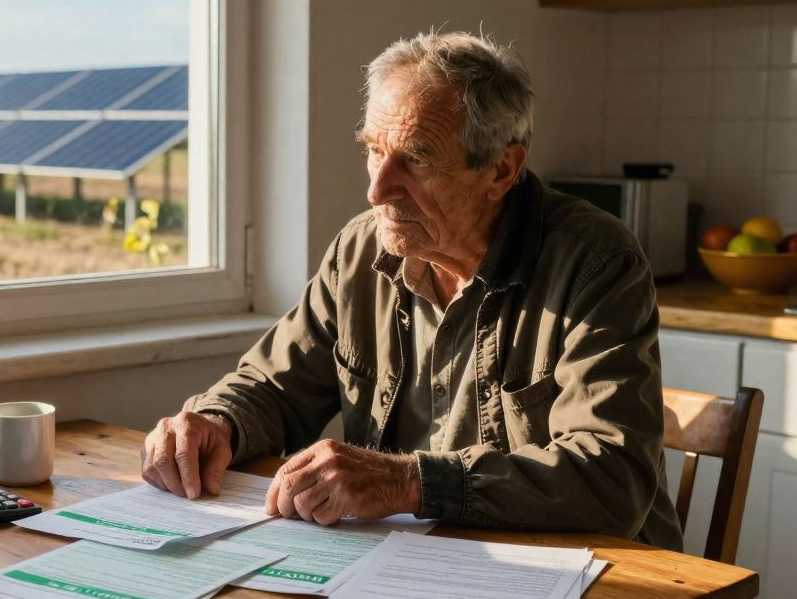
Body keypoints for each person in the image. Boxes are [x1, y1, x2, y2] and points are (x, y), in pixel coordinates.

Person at [141, 30, 683, 550]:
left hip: (595, 579)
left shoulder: (595, 261)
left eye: (417, 159)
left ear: (501, 170)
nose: (377, 189)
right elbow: (275, 385)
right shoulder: (358, 250)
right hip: (419, 564)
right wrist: (218, 420)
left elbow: (612, 477)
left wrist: (407, 482)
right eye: (375, 150)